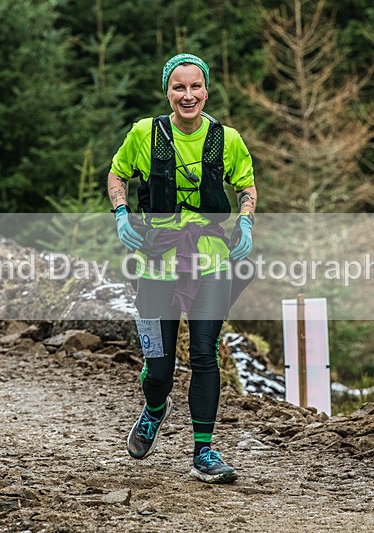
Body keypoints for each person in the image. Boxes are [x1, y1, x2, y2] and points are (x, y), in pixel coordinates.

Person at [107, 53, 257, 484]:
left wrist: (245, 221)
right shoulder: (144, 134)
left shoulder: (227, 139)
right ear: (167, 92)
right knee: (159, 367)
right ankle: (155, 409)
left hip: (210, 257)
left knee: (205, 352)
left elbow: (246, 184)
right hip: (157, 257)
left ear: (206, 90)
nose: (187, 95)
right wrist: (121, 213)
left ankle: (203, 453)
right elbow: (117, 175)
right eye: (178, 87)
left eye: (195, 87)